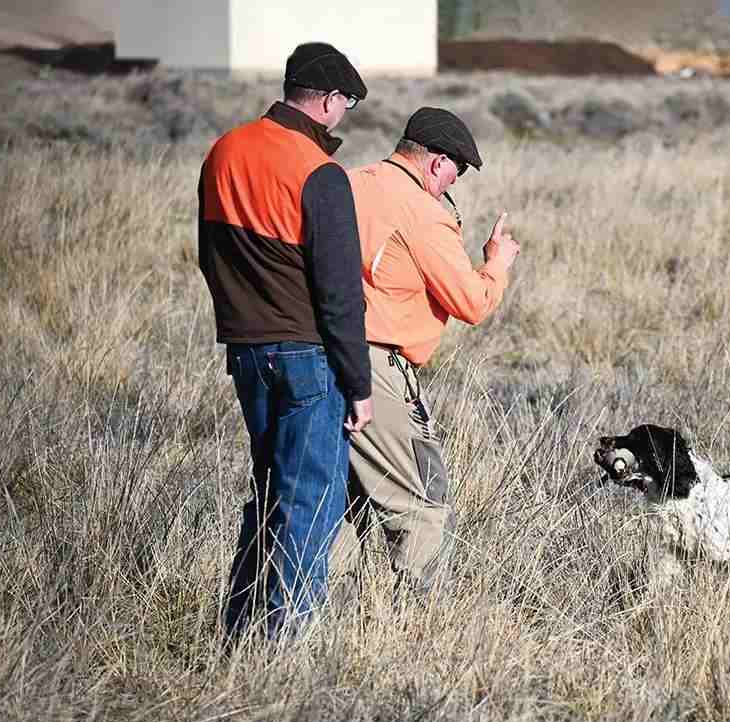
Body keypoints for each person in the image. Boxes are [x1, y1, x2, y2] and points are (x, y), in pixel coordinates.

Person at [197, 42, 373, 640]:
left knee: (269, 491)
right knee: (311, 503)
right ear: (327, 101)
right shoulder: (319, 172)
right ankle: (284, 646)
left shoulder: (225, 150)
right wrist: (359, 384)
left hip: (246, 352)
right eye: (345, 103)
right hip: (307, 356)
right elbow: (341, 294)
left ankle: (239, 627)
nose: (342, 115)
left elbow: (208, 253)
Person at [342, 107, 520, 596]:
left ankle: (324, 615)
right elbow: (472, 302)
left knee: (341, 497)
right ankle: (417, 622)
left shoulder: (348, 182)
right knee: (423, 497)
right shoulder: (424, 212)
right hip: (378, 365)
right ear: (439, 162)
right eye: (456, 174)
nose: (451, 185)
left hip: (319, 353)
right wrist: (496, 264)